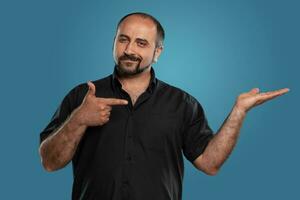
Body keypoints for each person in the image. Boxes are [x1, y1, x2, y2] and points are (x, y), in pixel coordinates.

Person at [39, 12, 289, 200]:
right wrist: (79, 119)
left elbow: (209, 164)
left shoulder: (182, 104)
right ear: (114, 42)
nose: (129, 50)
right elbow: (49, 162)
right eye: (123, 40)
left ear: (158, 52)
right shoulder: (83, 96)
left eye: (141, 43)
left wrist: (238, 112)